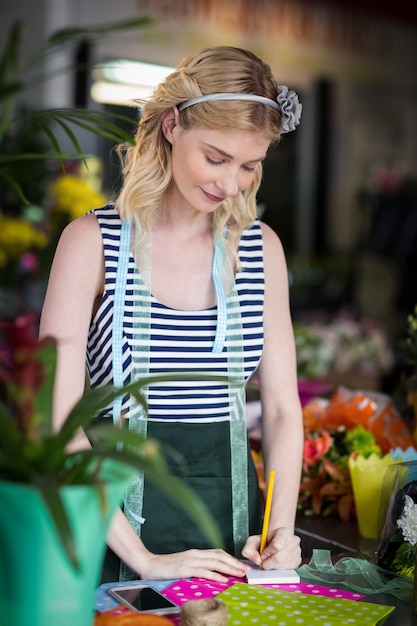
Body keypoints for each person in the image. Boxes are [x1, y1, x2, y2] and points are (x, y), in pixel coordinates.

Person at [39, 45, 304, 583]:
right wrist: (144, 560)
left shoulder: (260, 250)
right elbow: (54, 418)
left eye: (249, 165)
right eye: (216, 157)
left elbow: (279, 409)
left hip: (231, 537)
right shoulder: (92, 244)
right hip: (104, 533)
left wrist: (279, 533)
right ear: (171, 125)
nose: (230, 184)